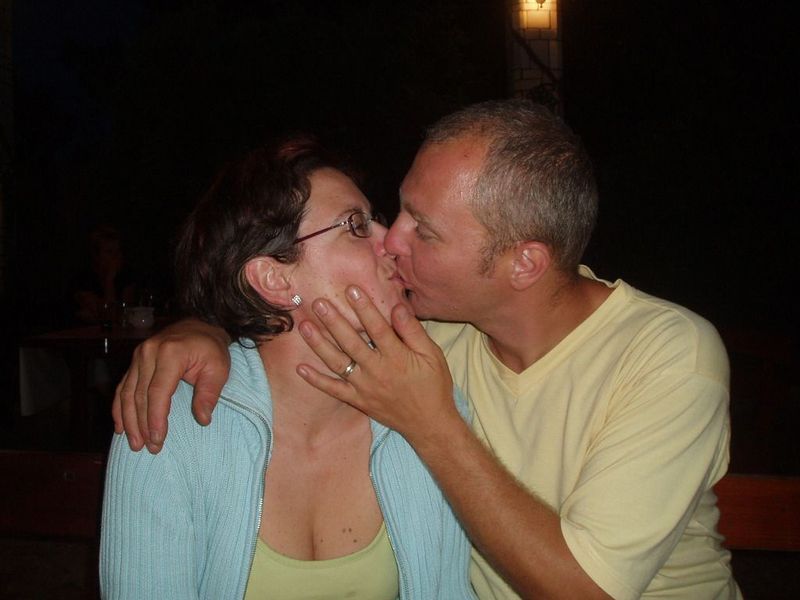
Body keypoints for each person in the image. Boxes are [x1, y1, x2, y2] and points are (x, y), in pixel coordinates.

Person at [114, 101, 740, 599]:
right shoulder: (430, 334)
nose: (392, 241)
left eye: (425, 230)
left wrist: (430, 421)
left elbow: (588, 591)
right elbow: (269, 306)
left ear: (524, 263)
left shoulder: (668, 356)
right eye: (379, 218)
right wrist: (199, 329)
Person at [100, 137, 477, 599]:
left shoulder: (429, 411)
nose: (393, 240)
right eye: (357, 225)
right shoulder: (169, 421)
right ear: (274, 279)